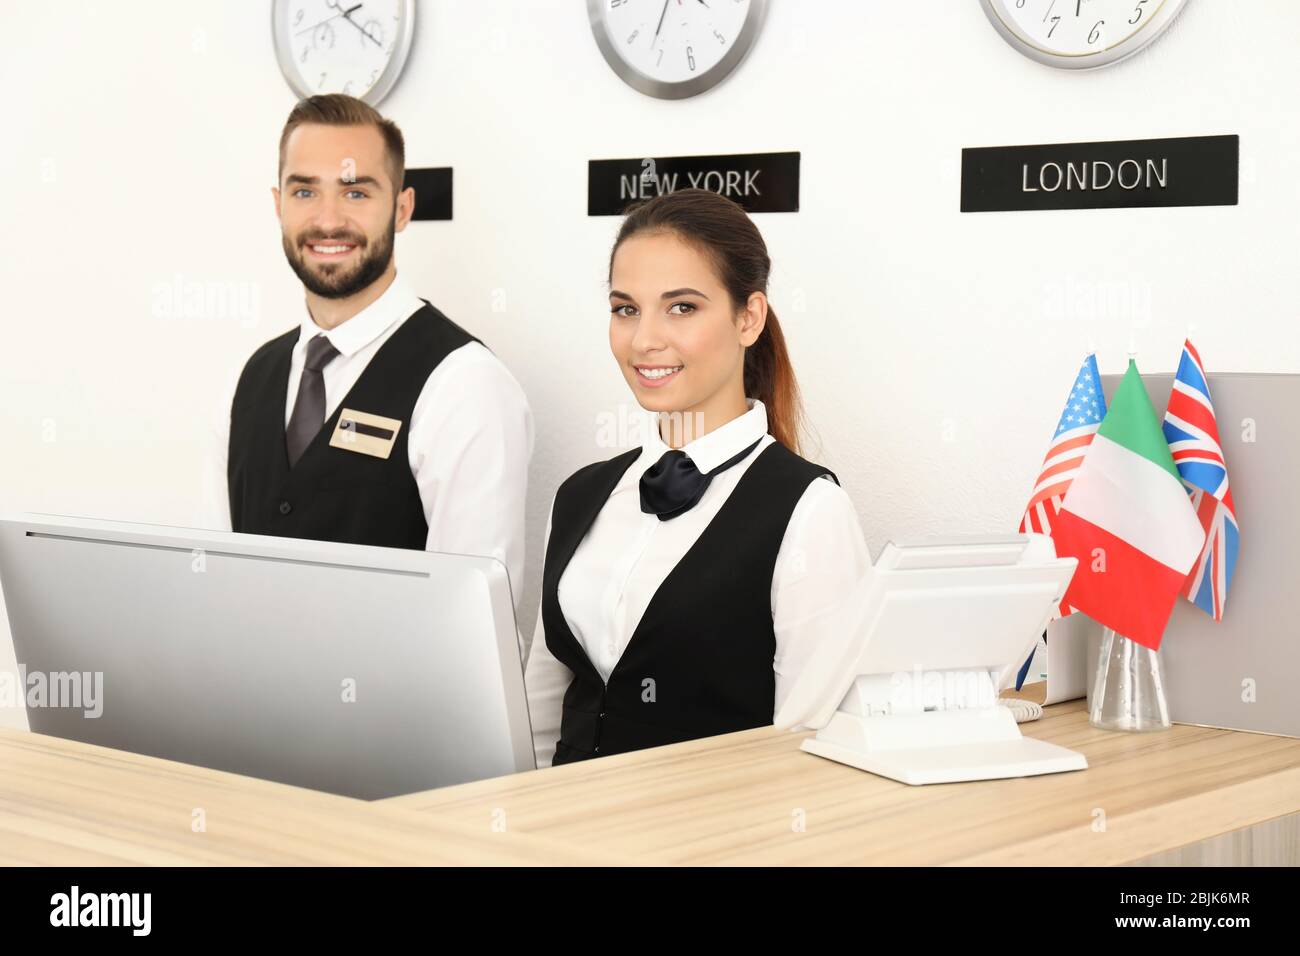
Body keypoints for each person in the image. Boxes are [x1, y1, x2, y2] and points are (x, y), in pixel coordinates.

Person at [524, 188, 871, 766]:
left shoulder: (809, 509)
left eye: (682, 307)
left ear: (749, 318)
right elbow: (539, 713)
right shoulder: (581, 493)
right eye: (625, 308)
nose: (644, 340)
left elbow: (814, 748)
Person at [201, 94, 532, 602]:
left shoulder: (464, 385)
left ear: (401, 209)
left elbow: (473, 627)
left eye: (355, 193)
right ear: (278, 205)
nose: (328, 220)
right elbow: (217, 589)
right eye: (305, 192)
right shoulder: (249, 378)